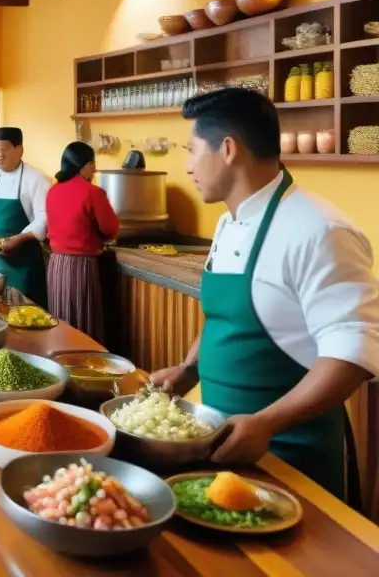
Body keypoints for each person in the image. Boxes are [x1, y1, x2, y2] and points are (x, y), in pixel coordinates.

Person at [151, 88, 379, 503]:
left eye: (191, 151)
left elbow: (354, 353)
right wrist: (188, 369)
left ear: (228, 149)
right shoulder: (227, 223)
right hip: (223, 446)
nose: (187, 167)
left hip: (291, 458)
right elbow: (224, 318)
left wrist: (267, 423)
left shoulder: (319, 229)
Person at [45, 141, 120, 343]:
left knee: (60, 321)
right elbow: (111, 229)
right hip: (81, 267)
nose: (95, 169)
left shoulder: (53, 191)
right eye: (92, 163)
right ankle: (86, 367)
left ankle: (61, 364)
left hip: (56, 265)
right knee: (84, 324)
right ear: (83, 165)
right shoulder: (93, 192)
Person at [0, 127, 52, 307]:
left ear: (19, 149)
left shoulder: (37, 178)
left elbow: (44, 217)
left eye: (4, 149)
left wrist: (18, 239)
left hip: (25, 261)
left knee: (27, 316)